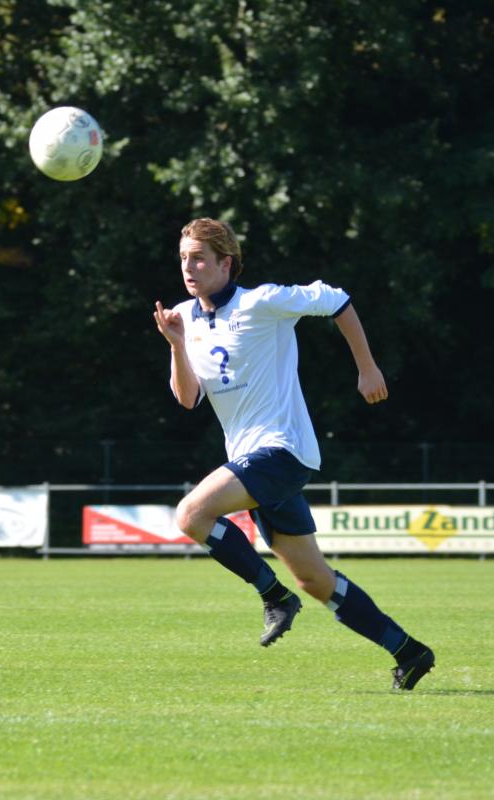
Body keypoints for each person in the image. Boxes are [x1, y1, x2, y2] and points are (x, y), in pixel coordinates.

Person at [153, 218, 435, 691]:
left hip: (281, 449)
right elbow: (186, 399)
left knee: (190, 515)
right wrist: (178, 345)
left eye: (199, 258)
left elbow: (336, 299)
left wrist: (367, 368)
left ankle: (273, 596)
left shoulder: (262, 302)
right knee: (316, 580)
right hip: (253, 461)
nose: (189, 266)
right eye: (184, 258)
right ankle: (408, 651)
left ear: (227, 263)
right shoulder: (183, 317)